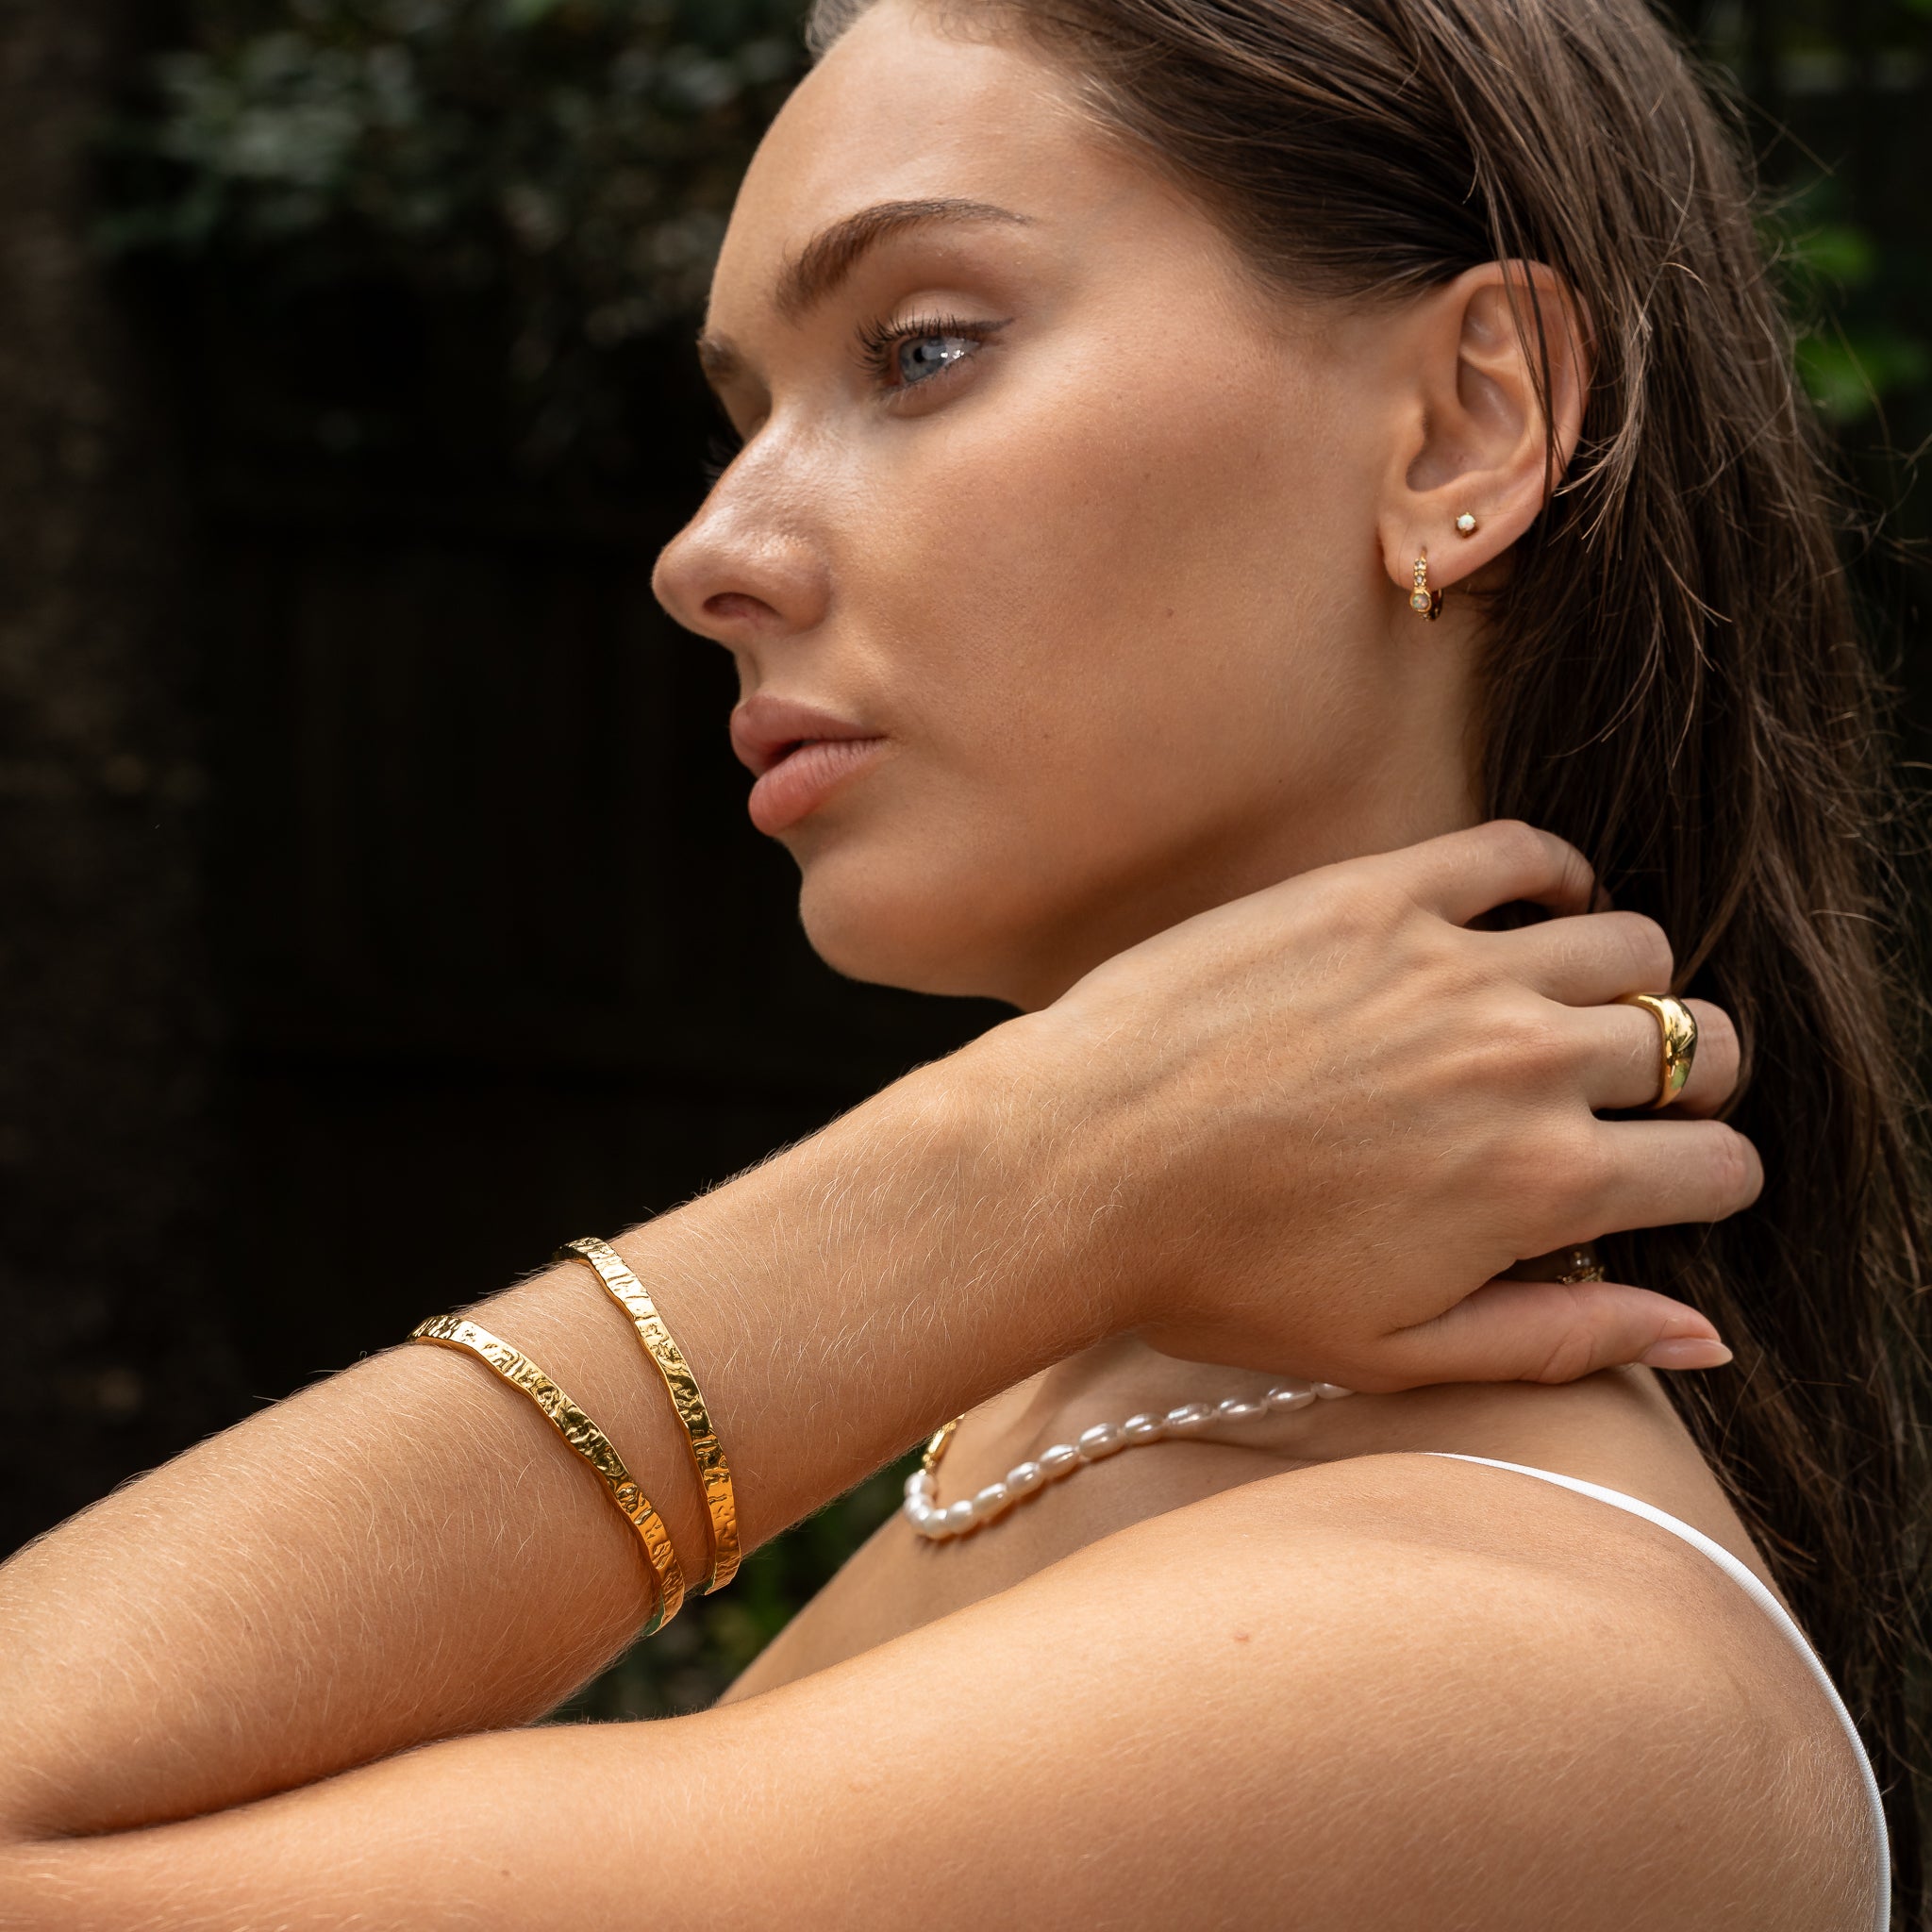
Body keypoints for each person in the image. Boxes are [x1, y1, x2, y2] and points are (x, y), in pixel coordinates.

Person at [0, 0, 1917, 1924]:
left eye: (921, 351)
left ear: (1463, 423)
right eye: (741, 413)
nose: (705, 551)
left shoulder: (1482, 1667)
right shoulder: (1086, 1420)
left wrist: (1019, 1168)